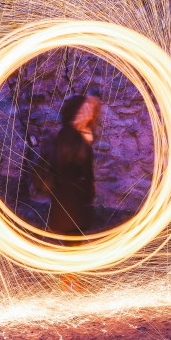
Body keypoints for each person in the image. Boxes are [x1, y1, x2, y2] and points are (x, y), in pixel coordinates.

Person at [47, 93, 100, 236]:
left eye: (91, 111)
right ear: (76, 112)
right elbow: (68, 165)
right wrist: (85, 143)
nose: (90, 115)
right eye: (86, 110)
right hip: (68, 199)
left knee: (74, 238)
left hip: (77, 199)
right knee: (72, 237)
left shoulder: (79, 134)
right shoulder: (68, 134)